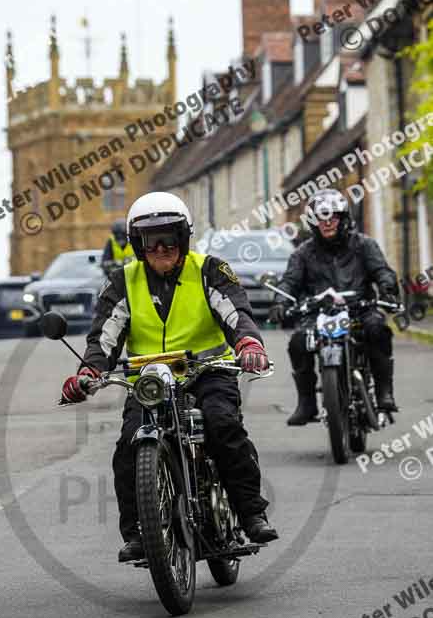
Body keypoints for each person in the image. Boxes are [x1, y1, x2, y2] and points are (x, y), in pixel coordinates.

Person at [61, 191, 278, 561]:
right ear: (137, 243)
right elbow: (104, 336)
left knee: (222, 424)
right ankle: (137, 533)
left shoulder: (209, 269)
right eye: (151, 240)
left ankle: (250, 512)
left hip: (208, 372)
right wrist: (88, 371)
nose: (161, 247)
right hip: (149, 381)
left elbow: (236, 313)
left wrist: (248, 345)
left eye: (169, 237)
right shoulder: (122, 283)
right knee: (129, 443)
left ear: (183, 237)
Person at [269, 190, 399, 426]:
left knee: (377, 328)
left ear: (344, 218)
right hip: (319, 314)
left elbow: (382, 271)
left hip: (360, 309)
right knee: (299, 341)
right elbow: (289, 281)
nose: (327, 222)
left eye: (333, 216)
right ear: (314, 222)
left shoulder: (364, 245)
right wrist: (280, 302)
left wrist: (388, 289)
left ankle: (384, 393)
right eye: (321, 217)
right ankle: (307, 403)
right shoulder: (303, 253)